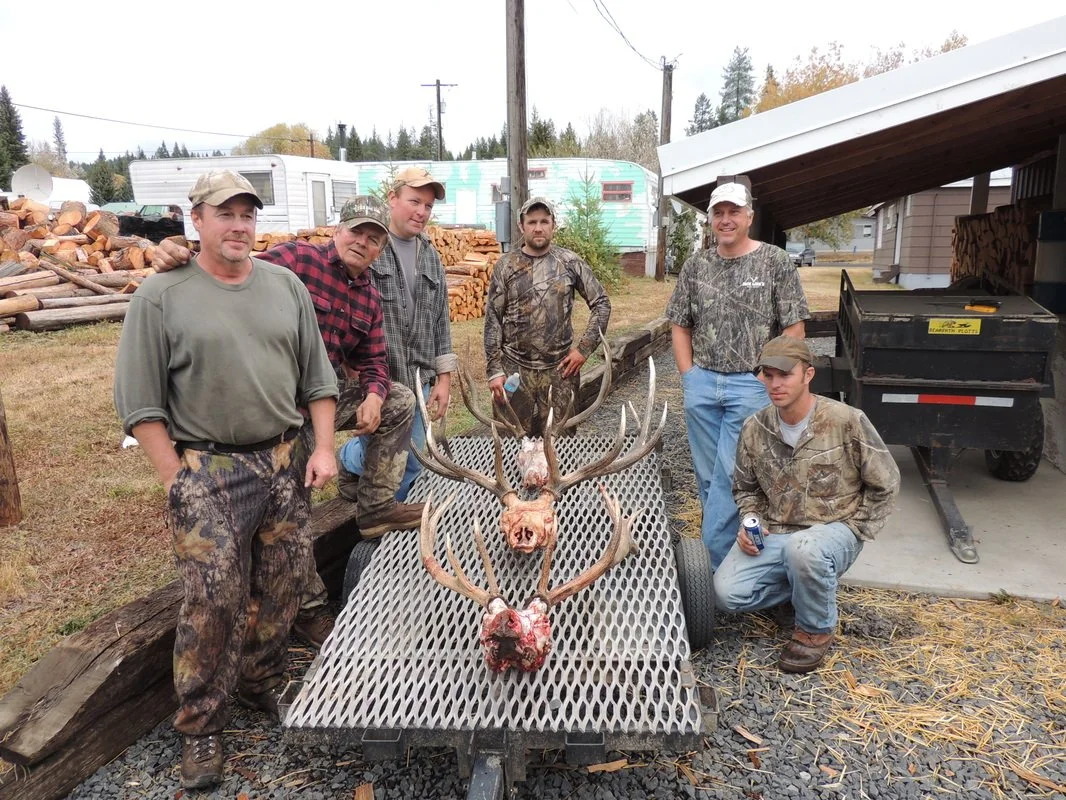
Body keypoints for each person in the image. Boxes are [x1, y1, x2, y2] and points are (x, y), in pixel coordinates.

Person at [114, 171, 339, 789]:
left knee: (288, 578)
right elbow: (139, 403)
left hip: (283, 460)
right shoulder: (161, 295)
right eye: (225, 214)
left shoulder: (284, 286)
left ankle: (261, 679)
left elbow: (317, 380)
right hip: (206, 467)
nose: (239, 226)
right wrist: (174, 479)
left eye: (248, 215)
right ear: (197, 219)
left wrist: (322, 447)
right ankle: (201, 723)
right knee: (214, 597)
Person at [153, 195, 423, 649]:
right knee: (294, 514)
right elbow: (229, 269)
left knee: (397, 399)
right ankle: (310, 608)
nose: (363, 243)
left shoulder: (368, 296)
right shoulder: (295, 259)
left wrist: (374, 394)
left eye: (374, 239)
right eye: (356, 232)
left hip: (320, 398)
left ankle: (375, 507)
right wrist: (175, 251)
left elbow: (375, 360)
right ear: (337, 230)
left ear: (381, 249)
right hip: (272, 404)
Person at [714, 335, 901, 673]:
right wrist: (750, 522)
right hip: (777, 533)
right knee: (726, 594)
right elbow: (745, 488)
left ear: (808, 374)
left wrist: (857, 528)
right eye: (767, 375)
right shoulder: (753, 429)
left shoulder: (845, 421)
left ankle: (815, 629)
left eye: (785, 375)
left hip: (832, 533)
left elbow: (886, 481)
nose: (775, 384)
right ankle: (803, 590)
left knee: (805, 550)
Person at [665, 182, 810, 570]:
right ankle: (739, 550)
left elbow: (793, 329)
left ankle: (710, 570)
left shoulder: (775, 262)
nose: (726, 220)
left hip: (750, 385)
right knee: (708, 478)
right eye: (718, 213)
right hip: (703, 384)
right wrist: (689, 376)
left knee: (732, 475)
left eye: (734, 212)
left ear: (749, 216)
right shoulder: (697, 266)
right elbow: (679, 324)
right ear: (710, 219)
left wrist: (770, 379)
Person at [339, 166, 457, 499]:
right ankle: (354, 466)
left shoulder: (431, 257)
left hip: (419, 381)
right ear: (393, 198)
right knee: (389, 457)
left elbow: (441, 321)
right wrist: (349, 364)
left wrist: (444, 379)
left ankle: (388, 507)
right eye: (414, 201)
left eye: (428, 206)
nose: (421, 212)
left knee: (413, 459)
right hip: (378, 382)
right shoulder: (368, 248)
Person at [483, 196, 611, 436]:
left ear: (553, 225)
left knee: (561, 450)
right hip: (515, 372)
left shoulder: (570, 262)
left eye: (544, 221)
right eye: (532, 222)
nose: (538, 227)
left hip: (561, 373)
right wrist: (494, 371)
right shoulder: (506, 266)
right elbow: (492, 320)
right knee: (511, 447)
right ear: (522, 226)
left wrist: (584, 349)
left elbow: (601, 303)